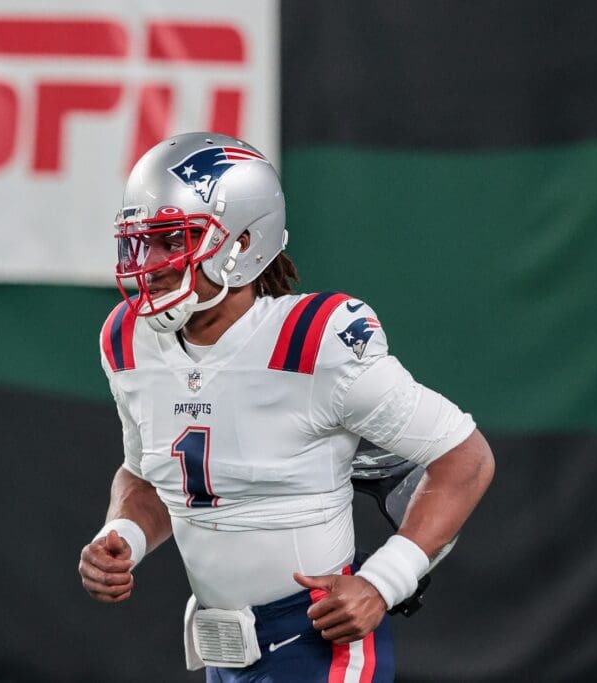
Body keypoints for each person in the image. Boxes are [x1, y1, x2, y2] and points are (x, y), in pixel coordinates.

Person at [77, 132, 495, 682]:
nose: (149, 264)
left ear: (243, 243)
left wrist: (384, 581)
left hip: (318, 641)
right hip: (222, 652)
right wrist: (123, 536)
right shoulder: (128, 341)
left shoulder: (312, 343)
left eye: (172, 240)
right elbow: (149, 476)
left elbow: (465, 457)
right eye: (142, 242)